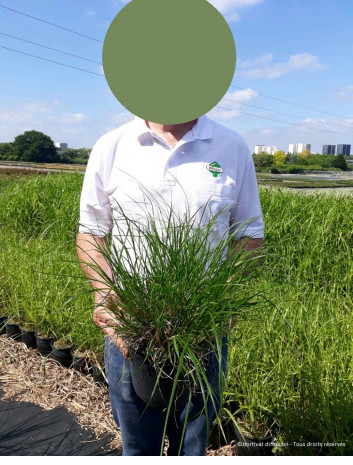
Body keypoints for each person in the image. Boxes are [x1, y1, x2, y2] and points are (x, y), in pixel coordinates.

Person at [76, 114, 264, 455]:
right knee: (136, 442)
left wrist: (226, 296)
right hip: (128, 328)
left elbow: (249, 234)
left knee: (192, 442)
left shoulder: (231, 146)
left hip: (204, 330)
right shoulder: (112, 145)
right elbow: (91, 231)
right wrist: (103, 295)